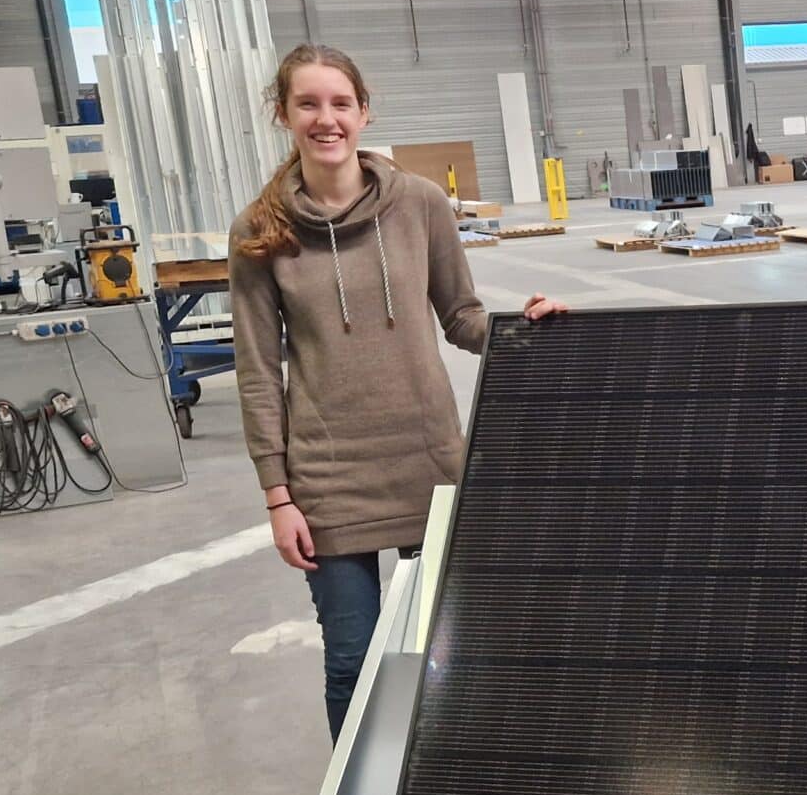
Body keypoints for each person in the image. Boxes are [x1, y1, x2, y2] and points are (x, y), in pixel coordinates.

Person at [228, 44, 568, 740]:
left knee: (449, 655)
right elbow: (258, 371)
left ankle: (447, 785)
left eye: (340, 103)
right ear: (283, 114)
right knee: (352, 664)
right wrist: (277, 496)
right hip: (328, 480)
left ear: (364, 111)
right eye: (308, 104)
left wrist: (525, 328)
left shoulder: (420, 203)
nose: (326, 119)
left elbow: (462, 317)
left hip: (429, 464)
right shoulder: (260, 232)